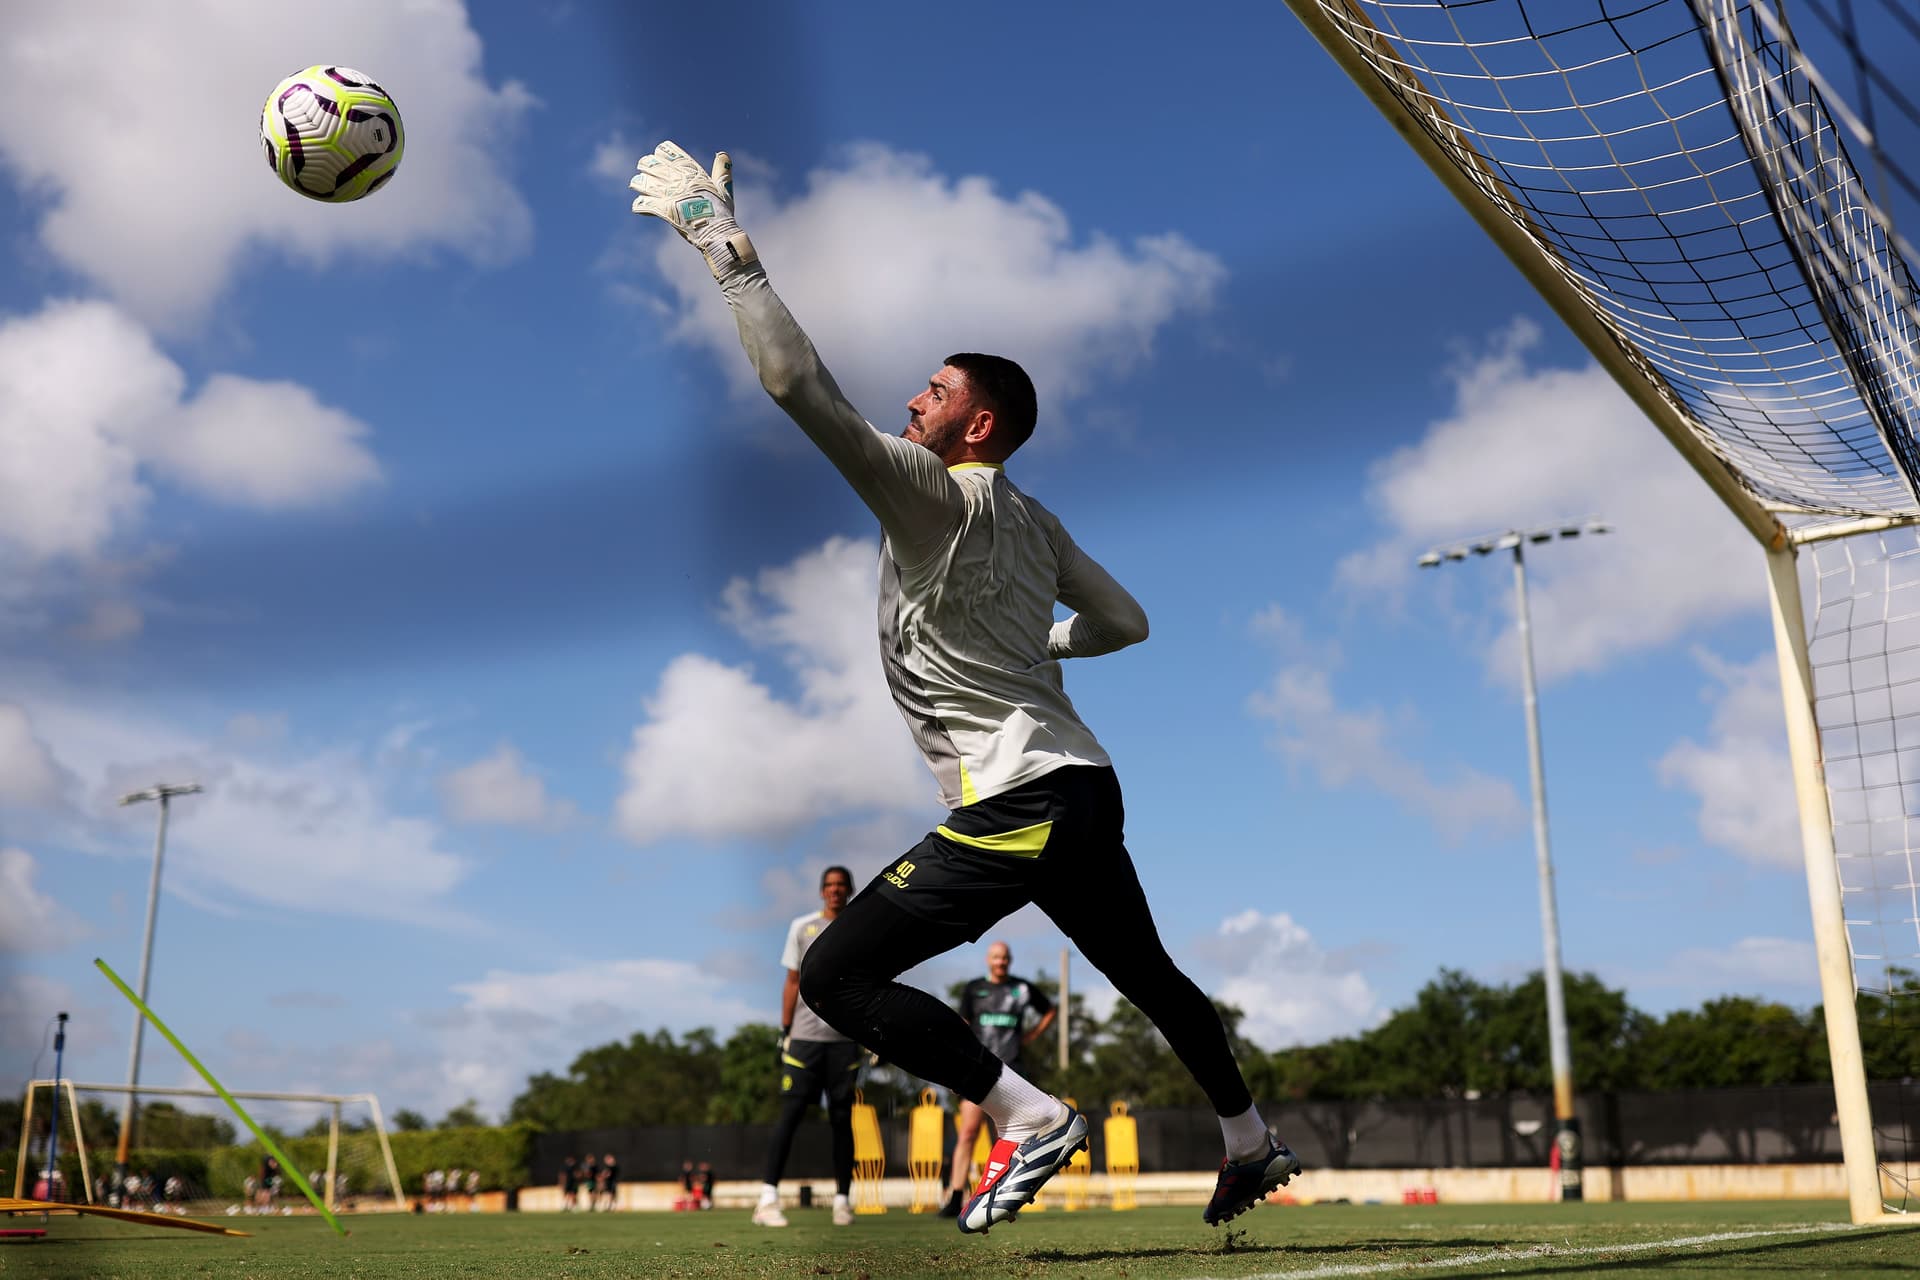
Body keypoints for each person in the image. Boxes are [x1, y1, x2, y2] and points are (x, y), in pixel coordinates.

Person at [629, 142, 1301, 1235]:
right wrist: (1050, 648)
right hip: (1084, 784)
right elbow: (1128, 622)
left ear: (974, 425)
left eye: (934, 390)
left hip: (1021, 801)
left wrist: (727, 254)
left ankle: (1028, 1117)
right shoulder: (1038, 521)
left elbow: (800, 387)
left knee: (841, 977)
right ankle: (1247, 1137)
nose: (913, 398)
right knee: (1149, 973)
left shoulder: (935, 495)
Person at [752, 865, 860, 1228]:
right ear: (821, 892)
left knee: (843, 1121)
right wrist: (785, 1030)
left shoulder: (861, 925)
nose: (834, 891)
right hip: (804, 1041)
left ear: (849, 890)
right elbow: (792, 981)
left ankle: (843, 1201)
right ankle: (767, 1199)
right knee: (790, 1117)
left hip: (844, 1042)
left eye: (840, 885)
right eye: (829, 885)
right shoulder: (802, 927)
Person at [939, 940, 1057, 1217]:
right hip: (978, 1068)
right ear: (988, 960)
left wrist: (1031, 1036)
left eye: (1004, 958)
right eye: (995, 957)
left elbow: (1050, 1010)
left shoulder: (1023, 988)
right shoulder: (973, 989)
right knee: (967, 1132)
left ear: (1010, 960)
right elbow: (963, 1024)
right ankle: (956, 1196)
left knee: (1006, 1136)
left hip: (1011, 1071)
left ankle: (1003, 1195)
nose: (1000, 962)